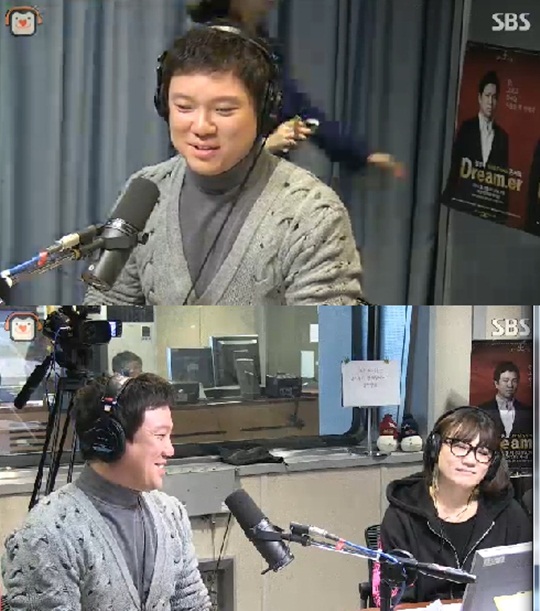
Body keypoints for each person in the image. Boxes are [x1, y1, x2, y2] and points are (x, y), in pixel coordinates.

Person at [83, 25, 363, 306]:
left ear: (264, 112)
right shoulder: (146, 192)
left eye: (224, 110)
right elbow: (105, 307)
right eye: (184, 107)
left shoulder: (313, 213)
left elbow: (326, 330)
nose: (201, 127)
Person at [1, 373, 211, 611]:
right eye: (160, 436)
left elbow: (192, 604)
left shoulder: (171, 514)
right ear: (111, 439)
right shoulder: (47, 534)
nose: (170, 450)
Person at [187, 0, 404, 177]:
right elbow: (206, 130)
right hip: (227, 187)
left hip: (262, 178)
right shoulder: (212, 46)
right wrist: (264, 148)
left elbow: (296, 105)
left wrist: (359, 153)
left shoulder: (263, 44)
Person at [373, 406, 531, 606]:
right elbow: (393, 601)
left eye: (483, 452)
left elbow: (527, 589)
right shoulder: (401, 516)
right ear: (435, 448)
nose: (470, 460)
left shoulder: (510, 515)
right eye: (461, 446)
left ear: (491, 465)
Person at [444, 71, 509, 215]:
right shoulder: (466, 129)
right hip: (463, 208)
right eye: (487, 95)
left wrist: (502, 215)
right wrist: (446, 203)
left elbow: (503, 181)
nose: (490, 102)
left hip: (488, 212)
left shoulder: (502, 137)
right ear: (479, 98)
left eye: (494, 97)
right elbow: (455, 168)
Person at [478, 361, 531, 438]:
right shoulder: (482, 411)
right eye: (506, 380)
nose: (510, 385)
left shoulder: (528, 412)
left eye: (514, 381)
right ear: (496, 384)